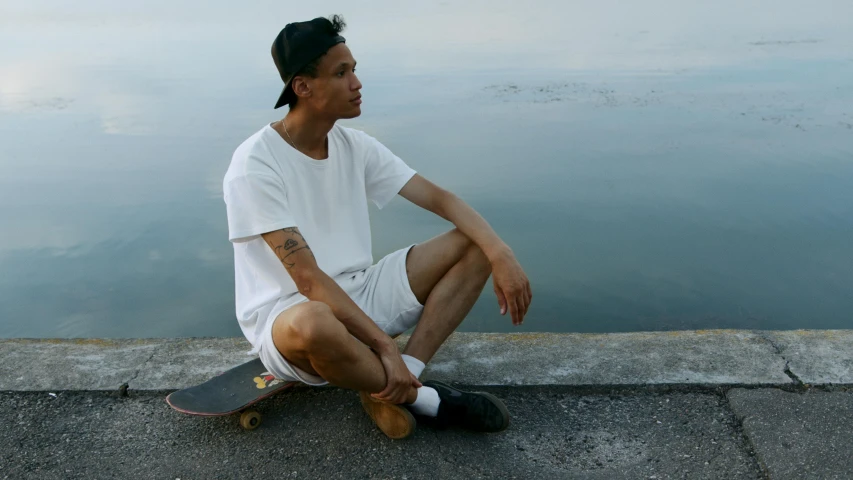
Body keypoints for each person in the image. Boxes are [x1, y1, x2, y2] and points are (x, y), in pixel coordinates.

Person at [223, 15, 532, 439]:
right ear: (303, 87)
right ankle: (423, 398)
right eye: (341, 73)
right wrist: (385, 344)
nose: (357, 82)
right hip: (289, 317)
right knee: (316, 321)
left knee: (474, 243)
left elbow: (440, 198)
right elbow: (309, 279)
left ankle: (400, 376)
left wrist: (501, 252)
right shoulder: (255, 163)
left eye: (354, 69)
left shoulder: (355, 146)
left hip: (360, 291)